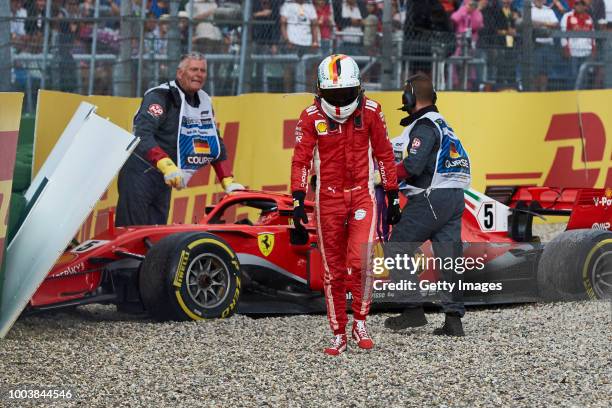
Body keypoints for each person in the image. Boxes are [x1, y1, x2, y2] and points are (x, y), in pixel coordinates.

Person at [290, 54, 401, 355]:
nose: (339, 100)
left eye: (345, 92)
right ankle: (338, 332)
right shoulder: (310, 116)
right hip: (327, 198)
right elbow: (301, 159)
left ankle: (360, 322)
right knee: (333, 270)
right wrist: (298, 198)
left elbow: (385, 155)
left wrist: (392, 194)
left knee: (362, 261)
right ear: (320, 90)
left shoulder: (372, 111)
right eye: (333, 93)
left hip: (362, 194)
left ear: (358, 88)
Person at [383, 74, 471, 337]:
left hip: (431, 197)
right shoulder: (443, 123)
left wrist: (384, 175)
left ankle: (412, 310)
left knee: (397, 246)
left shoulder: (423, 126)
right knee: (449, 258)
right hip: (455, 198)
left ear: (410, 98)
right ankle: (453, 321)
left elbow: (412, 166)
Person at [116, 52, 243, 227]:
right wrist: (166, 164)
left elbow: (214, 142)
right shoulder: (160, 96)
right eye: (193, 69)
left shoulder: (205, 101)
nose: (199, 74)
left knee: (155, 235)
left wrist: (228, 180)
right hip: (139, 174)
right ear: (180, 73)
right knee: (130, 234)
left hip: (165, 179)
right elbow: (142, 134)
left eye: (203, 70)